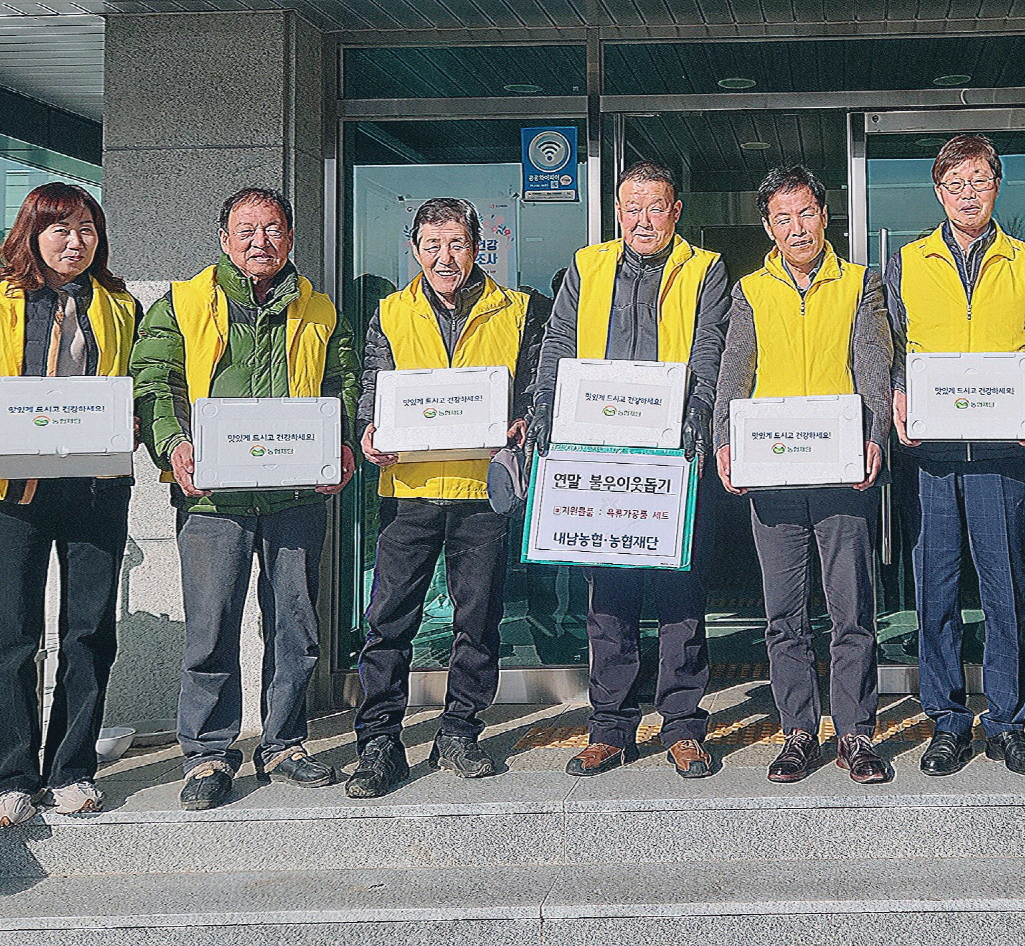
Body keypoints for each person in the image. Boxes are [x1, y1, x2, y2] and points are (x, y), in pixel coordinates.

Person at [132, 187, 360, 812]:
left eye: (273, 229)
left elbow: (342, 384)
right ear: (225, 238)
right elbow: (152, 383)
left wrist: (340, 444)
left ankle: (285, 744)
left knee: (297, 624)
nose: (261, 241)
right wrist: (173, 446)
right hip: (212, 501)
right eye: (247, 230)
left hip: (294, 495)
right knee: (211, 627)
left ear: (290, 237)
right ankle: (208, 752)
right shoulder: (180, 304)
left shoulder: (319, 308)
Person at [0, 184, 140, 829]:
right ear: (32, 234)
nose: (74, 242)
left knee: (88, 632)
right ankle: (12, 777)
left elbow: (141, 386)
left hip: (95, 490)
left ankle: (72, 768)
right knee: (11, 634)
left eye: (86, 230)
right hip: (11, 496)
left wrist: (133, 426)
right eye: (60, 230)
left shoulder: (121, 306)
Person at [529, 161, 730, 780]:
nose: (644, 219)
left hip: (673, 454)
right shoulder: (586, 268)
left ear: (676, 212)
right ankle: (610, 726)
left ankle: (683, 725)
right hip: (598, 452)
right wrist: (544, 405)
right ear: (619, 212)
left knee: (679, 594)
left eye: (657, 207)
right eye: (633, 207)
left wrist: (697, 412)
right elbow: (558, 341)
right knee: (607, 594)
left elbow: (710, 344)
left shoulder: (706, 268)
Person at [345, 199, 550, 799]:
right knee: (388, 623)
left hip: (482, 491)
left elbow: (536, 384)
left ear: (477, 247)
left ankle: (460, 729)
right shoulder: (389, 312)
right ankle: (379, 740)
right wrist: (369, 431)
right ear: (414, 250)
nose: (445, 257)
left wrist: (523, 422)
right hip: (407, 492)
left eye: (457, 244)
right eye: (432, 245)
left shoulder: (515, 309)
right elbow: (372, 389)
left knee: (478, 621)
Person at [886, 133, 1025, 778]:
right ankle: (945, 721)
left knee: (1006, 591)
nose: (969, 194)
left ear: (997, 188)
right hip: (932, 458)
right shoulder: (906, 264)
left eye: (980, 181)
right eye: (956, 183)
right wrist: (897, 395)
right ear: (939, 192)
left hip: (1002, 457)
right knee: (934, 591)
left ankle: (1007, 722)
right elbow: (889, 351)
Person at [714, 165, 893, 784]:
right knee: (783, 614)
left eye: (806, 214)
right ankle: (797, 733)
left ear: (825, 217)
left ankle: (857, 734)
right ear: (768, 226)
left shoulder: (860, 284)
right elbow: (733, 374)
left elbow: (873, 368)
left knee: (851, 611)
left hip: (842, 473)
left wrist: (875, 439)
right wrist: (724, 443)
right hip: (774, 474)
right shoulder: (750, 290)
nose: (797, 229)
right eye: (783, 218)